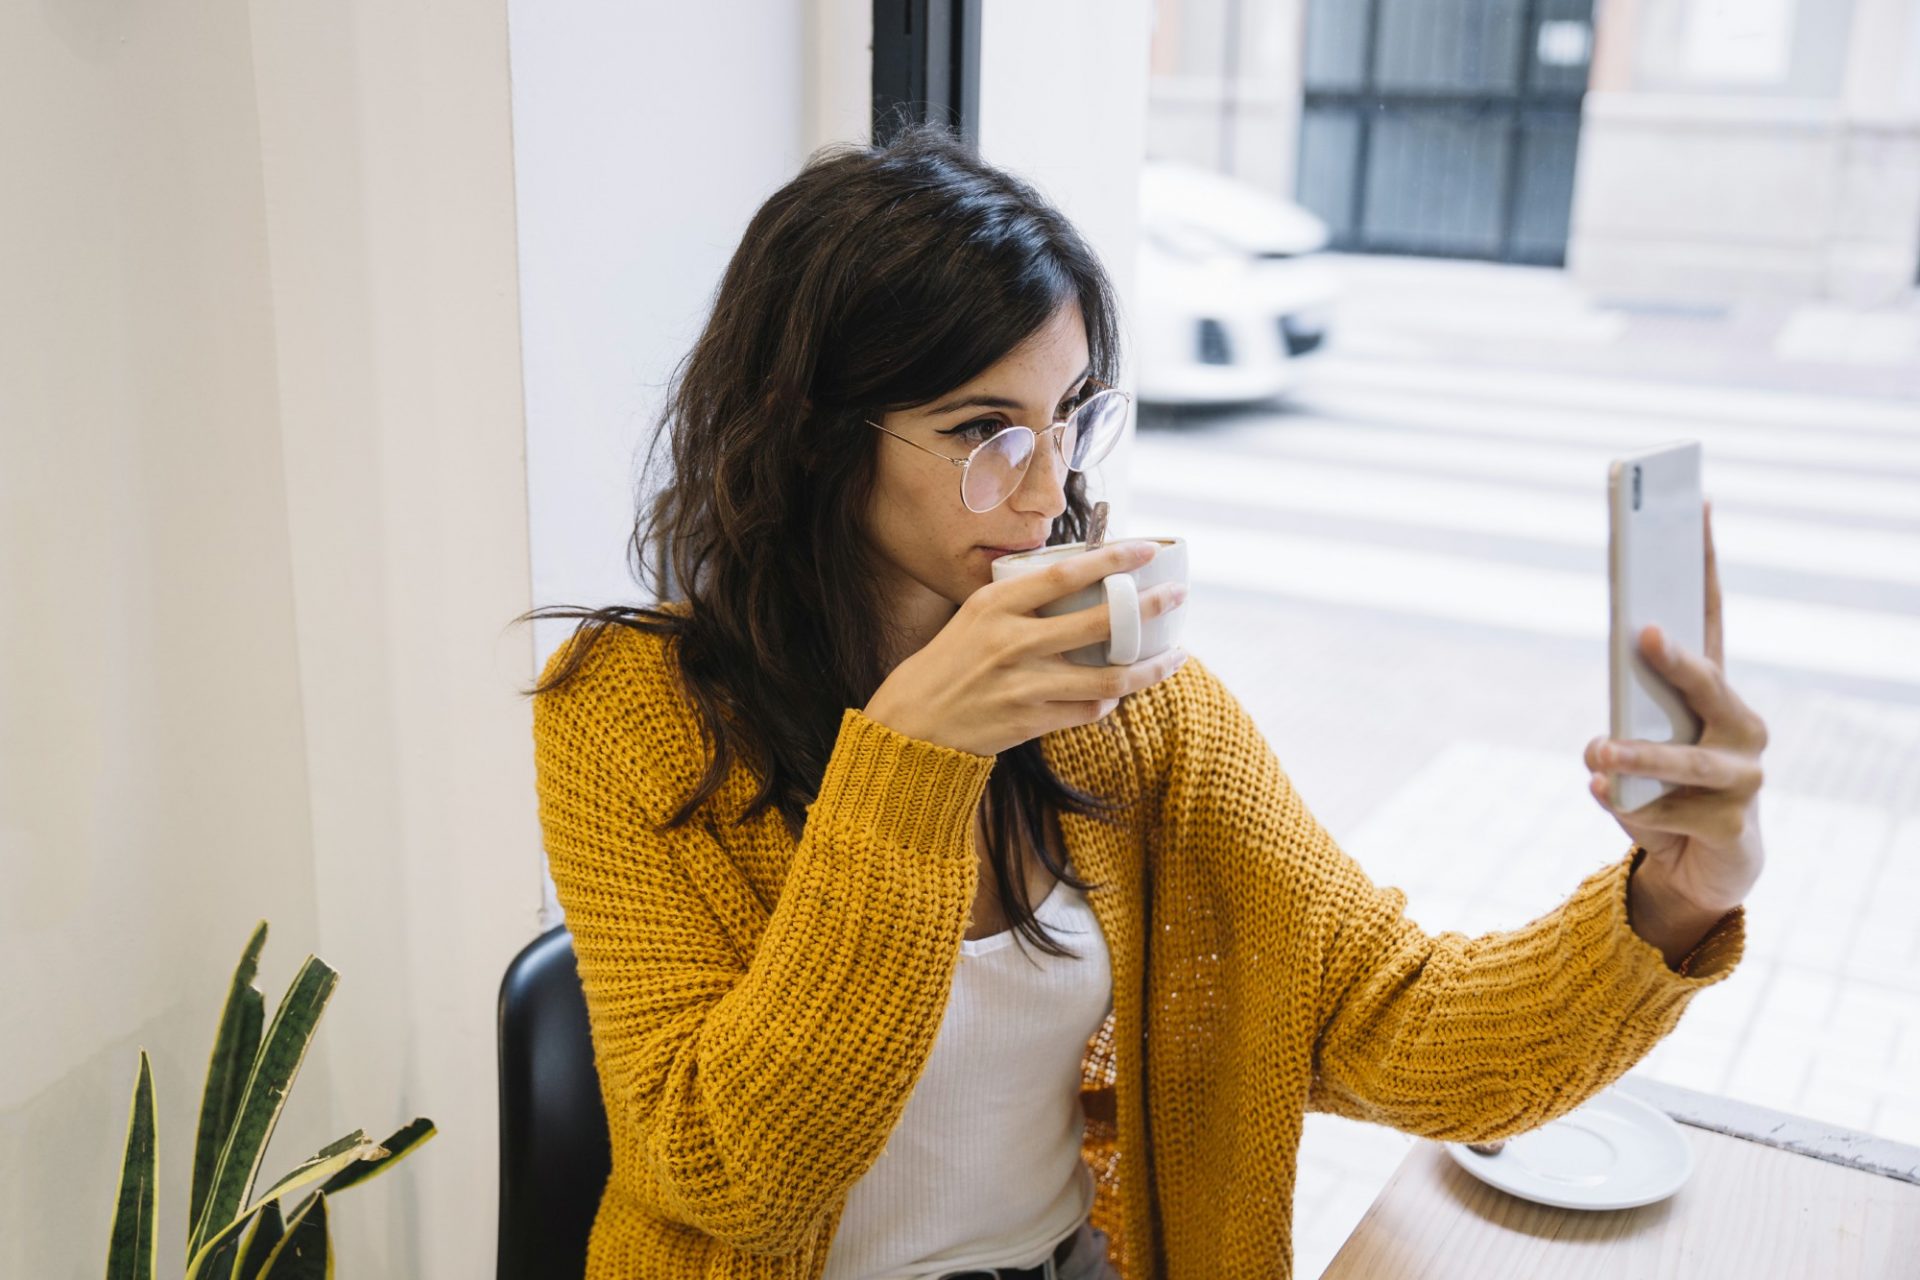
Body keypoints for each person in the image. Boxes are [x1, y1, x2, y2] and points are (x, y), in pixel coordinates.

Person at [524, 123, 1767, 1280]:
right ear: (808, 433)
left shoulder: (1128, 713)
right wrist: (912, 759)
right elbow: (732, 1177)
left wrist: (1672, 898)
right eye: (982, 428)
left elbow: (1395, 1020)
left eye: (1069, 418)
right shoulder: (627, 714)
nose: (1048, 487)